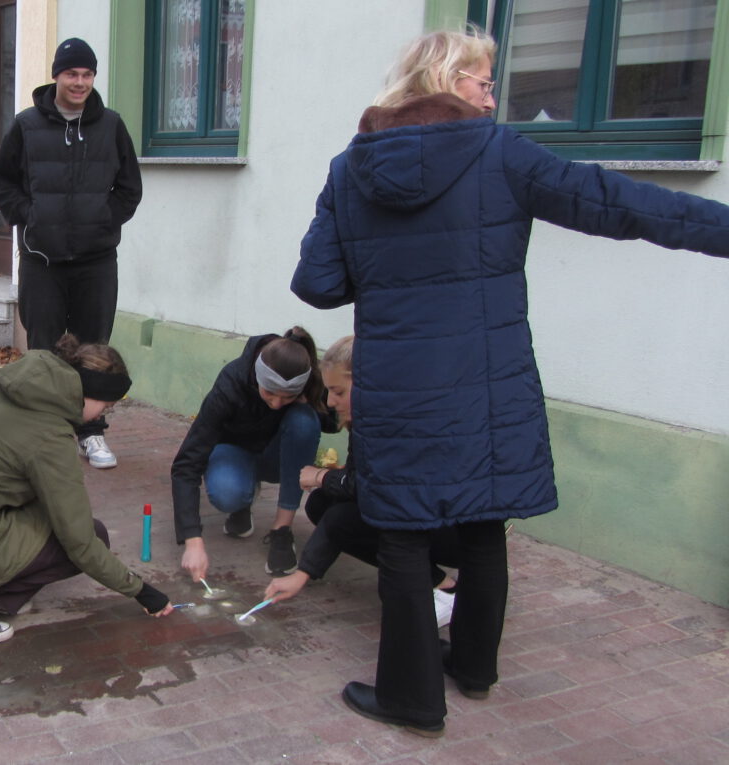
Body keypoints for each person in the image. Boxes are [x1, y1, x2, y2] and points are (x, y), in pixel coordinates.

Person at [292, 28, 729, 737]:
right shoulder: (500, 155)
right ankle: (472, 667)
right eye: (484, 82)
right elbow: (619, 203)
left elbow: (317, 283)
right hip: (485, 387)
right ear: (443, 80)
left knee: (403, 536)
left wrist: (355, 232)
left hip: (400, 390)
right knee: (482, 522)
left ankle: (413, 694)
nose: (495, 97)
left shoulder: (350, 168)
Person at [0, 335, 173, 643]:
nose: (102, 416)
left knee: (47, 512)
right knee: (93, 535)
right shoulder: (50, 436)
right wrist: (142, 591)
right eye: (105, 406)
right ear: (88, 392)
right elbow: (80, 542)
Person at [0, 37, 143, 471]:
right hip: (42, 260)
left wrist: (103, 220)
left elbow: (130, 188)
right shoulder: (26, 125)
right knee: (44, 350)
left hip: (96, 261)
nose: (79, 82)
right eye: (71, 73)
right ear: (56, 75)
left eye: (87, 74)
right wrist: (30, 217)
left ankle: (91, 433)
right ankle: (44, 435)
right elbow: (4, 183)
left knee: (95, 348)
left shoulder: (111, 125)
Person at [263, 336, 462, 628]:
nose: (330, 401)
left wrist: (321, 476)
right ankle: (439, 582)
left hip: (451, 527)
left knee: (341, 512)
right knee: (322, 502)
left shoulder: (396, 421)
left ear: (368, 382)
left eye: (338, 391)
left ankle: (444, 589)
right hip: (418, 515)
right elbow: (367, 479)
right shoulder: (374, 414)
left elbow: (366, 488)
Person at [171, 329, 334, 578]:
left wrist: (310, 403)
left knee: (304, 421)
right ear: (257, 377)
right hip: (234, 450)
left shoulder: (308, 380)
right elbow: (187, 462)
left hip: (278, 458)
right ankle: (242, 498)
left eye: (287, 397)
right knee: (228, 492)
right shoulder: (231, 383)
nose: (277, 404)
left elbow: (334, 422)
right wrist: (193, 541)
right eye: (270, 393)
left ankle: (282, 530)